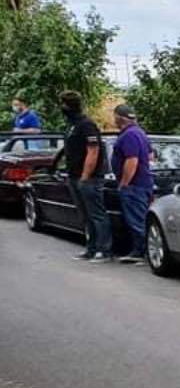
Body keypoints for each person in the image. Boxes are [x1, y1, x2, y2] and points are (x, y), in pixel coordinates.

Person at [61, 91, 111, 262]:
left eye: (64, 104)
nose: (62, 107)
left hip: (89, 178)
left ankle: (104, 250)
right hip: (74, 176)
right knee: (85, 216)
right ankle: (91, 248)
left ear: (70, 105)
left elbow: (93, 151)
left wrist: (85, 176)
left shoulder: (87, 125)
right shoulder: (72, 125)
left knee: (97, 215)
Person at [111, 104, 153, 263]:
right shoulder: (140, 132)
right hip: (144, 182)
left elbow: (132, 160)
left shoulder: (129, 135)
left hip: (134, 185)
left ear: (119, 118)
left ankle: (141, 252)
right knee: (141, 218)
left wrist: (124, 183)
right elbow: (150, 156)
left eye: (115, 116)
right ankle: (141, 250)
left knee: (136, 220)